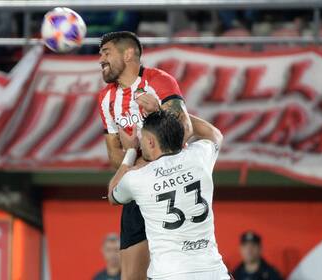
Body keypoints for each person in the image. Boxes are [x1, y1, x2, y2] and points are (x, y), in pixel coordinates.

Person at [98, 31, 193, 280]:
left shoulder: (159, 81)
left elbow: (185, 130)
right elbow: (115, 158)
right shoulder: (106, 98)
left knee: (183, 270)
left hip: (171, 186)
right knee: (131, 277)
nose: (101, 59)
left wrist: (158, 110)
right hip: (139, 191)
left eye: (106, 52)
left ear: (128, 53)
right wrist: (134, 156)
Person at [107, 110, 231, 280]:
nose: (141, 144)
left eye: (142, 139)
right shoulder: (198, 156)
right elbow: (214, 134)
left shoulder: (138, 178)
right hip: (213, 272)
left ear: (151, 142)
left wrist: (130, 151)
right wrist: (172, 109)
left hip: (168, 274)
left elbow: (112, 194)